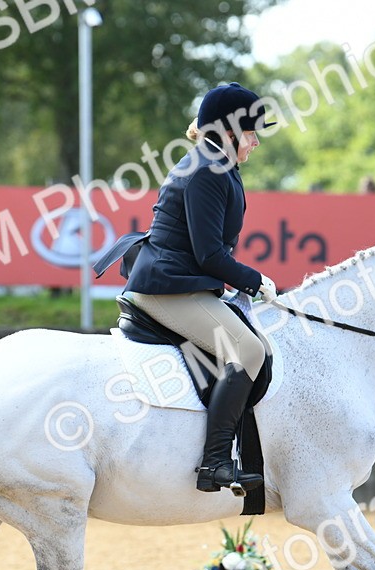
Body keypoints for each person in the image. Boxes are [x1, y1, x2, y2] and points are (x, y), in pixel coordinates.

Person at [120, 83, 278, 494]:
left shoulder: (219, 164)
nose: (257, 141)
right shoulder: (207, 168)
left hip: (185, 281)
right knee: (249, 350)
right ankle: (214, 463)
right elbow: (210, 255)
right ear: (229, 130)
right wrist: (254, 280)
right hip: (167, 287)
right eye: (251, 132)